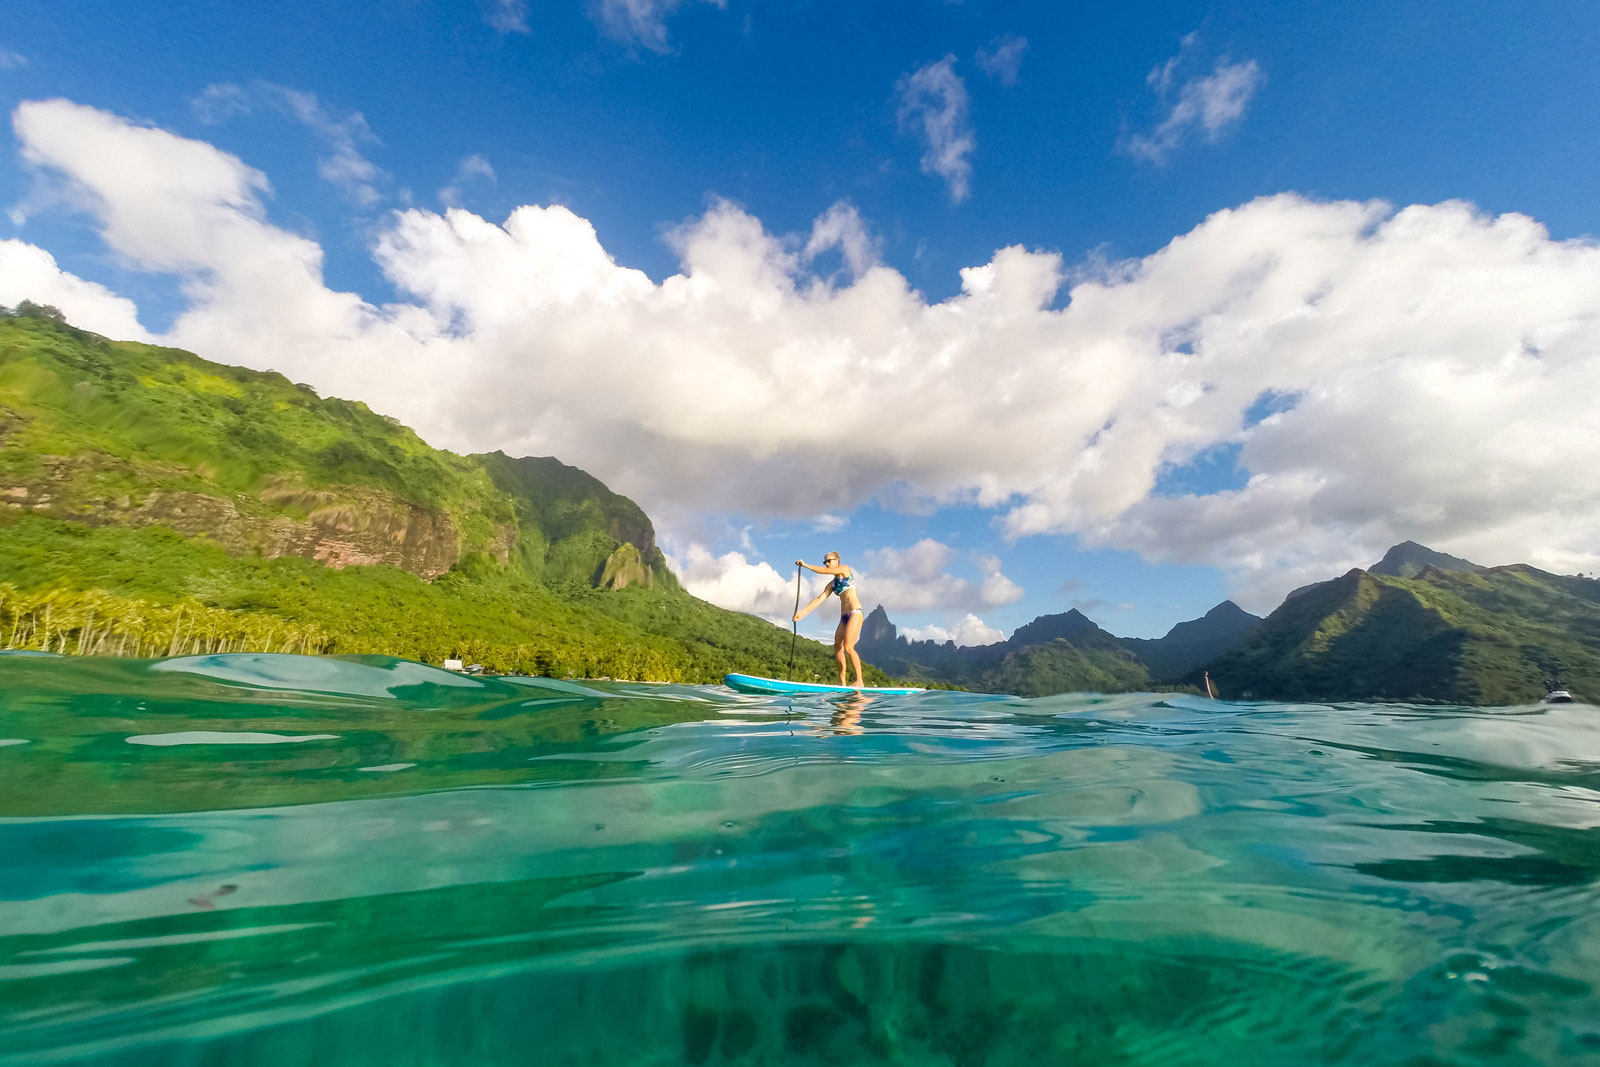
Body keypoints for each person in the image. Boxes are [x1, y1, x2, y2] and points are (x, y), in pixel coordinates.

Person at [794, 551, 865, 688]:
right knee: (837, 647)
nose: (827, 564)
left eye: (829, 561)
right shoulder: (833, 584)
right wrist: (801, 614)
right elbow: (819, 599)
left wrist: (805, 565)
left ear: (837, 560)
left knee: (849, 647)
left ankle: (859, 680)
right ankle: (842, 681)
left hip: (855, 612)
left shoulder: (845, 570)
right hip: (844, 618)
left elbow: (822, 572)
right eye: (825, 562)